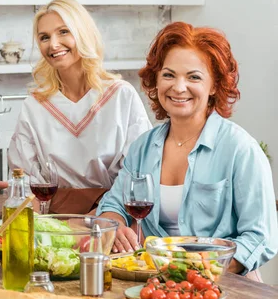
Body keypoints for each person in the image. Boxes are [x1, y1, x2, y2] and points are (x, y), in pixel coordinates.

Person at [97, 21, 278, 279]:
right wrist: (113, 224)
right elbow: (115, 202)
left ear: (214, 86)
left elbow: (261, 236)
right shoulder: (142, 147)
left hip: (225, 284)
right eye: (169, 75)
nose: (179, 87)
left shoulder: (240, 149)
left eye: (193, 77)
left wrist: (204, 267)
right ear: (156, 81)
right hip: (155, 284)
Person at [8, 0, 151, 214]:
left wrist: (99, 218)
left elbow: (141, 170)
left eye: (63, 32)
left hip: (114, 215)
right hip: (54, 218)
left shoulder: (121, 95)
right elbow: (24, 179)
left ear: (83, 33)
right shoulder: (34, 105)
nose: (53, 44)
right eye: (44, 37)